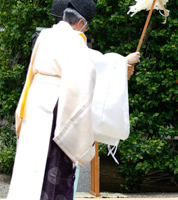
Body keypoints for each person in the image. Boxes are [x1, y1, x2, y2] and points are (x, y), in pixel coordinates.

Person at [7, 0, 140, 199]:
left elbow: (89, 60)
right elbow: (88, 71)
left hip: (36, 100)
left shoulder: (46, 35)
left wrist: (120, 65)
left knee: (31, 162)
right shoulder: (75, 39)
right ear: (80, 23)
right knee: (56, 164)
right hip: (56, 105)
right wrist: (121, 67)